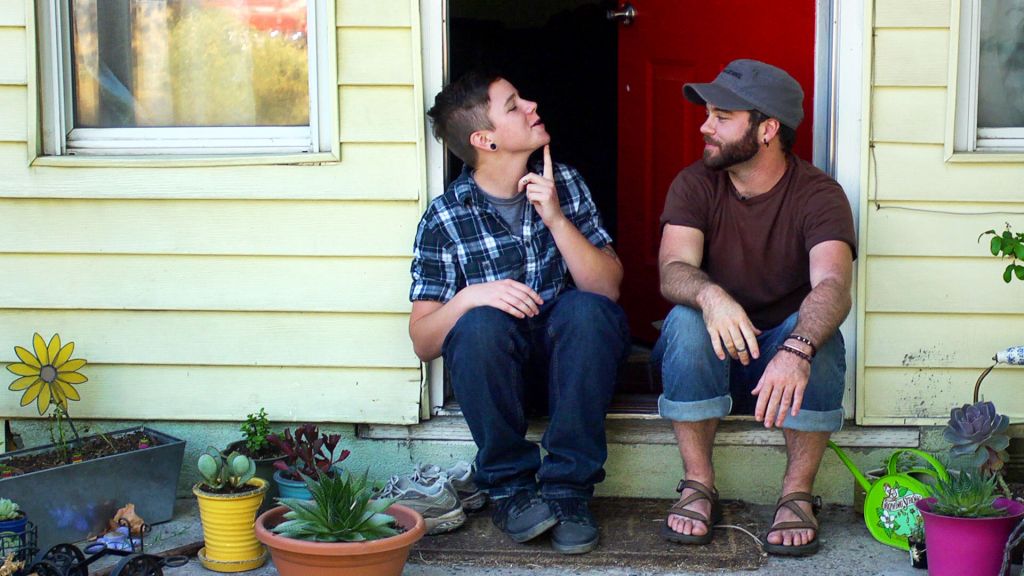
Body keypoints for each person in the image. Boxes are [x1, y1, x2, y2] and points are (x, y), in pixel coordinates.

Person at [409, 69, 630, 555]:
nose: (531, 105)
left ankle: (569, 490)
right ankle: (510, 487)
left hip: (571, 372)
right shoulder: (446, 217)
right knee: (478, 324)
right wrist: (470, 297)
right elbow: (424, 341)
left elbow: (608, 288)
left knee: (588, 311)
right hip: (497, 379)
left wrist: (554, 217)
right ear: (485, 140)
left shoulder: (564, 183)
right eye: (513, 105)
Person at [653, 59, 856, 557]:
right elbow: (673, 269)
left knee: (819, 334)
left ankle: (796, 495)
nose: (705, 126)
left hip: (783, 370)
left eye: (722, 116)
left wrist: (797, 348)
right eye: (708, 113)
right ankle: (698, 485)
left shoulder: (819, 194)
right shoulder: (695, 183)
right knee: (685, 319)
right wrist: (711, 295)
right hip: (712, 358)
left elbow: (833, 284)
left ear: (767, 129)